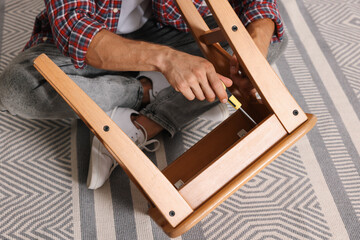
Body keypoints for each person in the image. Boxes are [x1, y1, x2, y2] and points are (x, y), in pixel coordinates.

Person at [0, 0, 286, 189]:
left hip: (168, 31)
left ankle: (142, 123)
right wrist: (167, 62)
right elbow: (75, 29)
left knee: (269, 41)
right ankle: (156, 88)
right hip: (98, 40)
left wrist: (251, 53)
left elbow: (258, 5)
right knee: (20, 87)